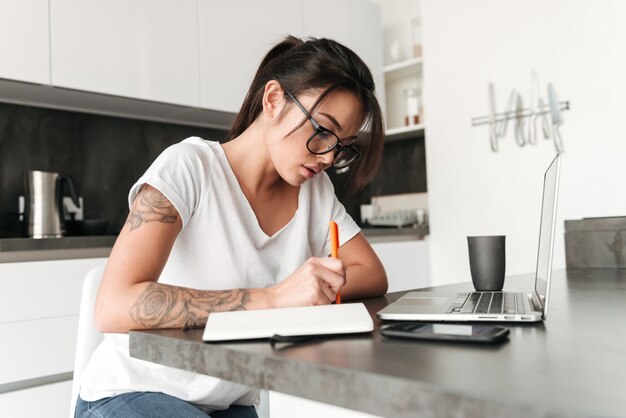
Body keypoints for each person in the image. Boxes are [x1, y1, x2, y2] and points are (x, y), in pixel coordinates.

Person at [75, 35, 388, 418]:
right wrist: (274, 298)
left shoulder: (315, 191)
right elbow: (113, 306)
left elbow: (372, 273)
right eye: (322, 130)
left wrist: (308, 287)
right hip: (132, 393)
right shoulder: (189, 167)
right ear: (273, 100)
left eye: (342, 145)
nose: (328, 156)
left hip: (227, 402)